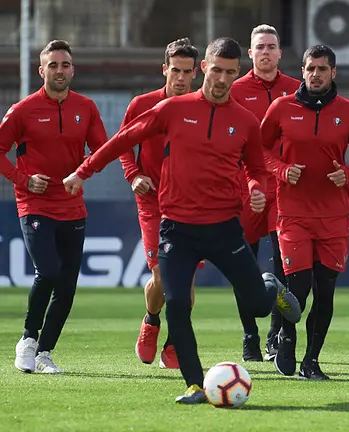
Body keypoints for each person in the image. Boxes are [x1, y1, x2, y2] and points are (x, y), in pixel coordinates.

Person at [62, 37, 302, 403]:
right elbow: (124, 139)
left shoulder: (246, 121)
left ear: (238, 73)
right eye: (216, 70)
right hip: (176, 227)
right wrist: (83, 172)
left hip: (224, 228)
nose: (222, 78)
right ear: (204, 68)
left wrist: (257, 187)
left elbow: (257, 167)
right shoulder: (173, 109)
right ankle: (194, 384)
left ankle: (269, 287)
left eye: (230, 72)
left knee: (255, 305)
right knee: (177, 305)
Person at [0, 40, 108, 374]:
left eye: (65, 64)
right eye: (52, 65)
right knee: (48, 271)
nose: (59, 70)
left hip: (72, 207)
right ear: (42, 71)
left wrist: (82, 173)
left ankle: (44, 353)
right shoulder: (23, 110)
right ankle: (27, 339)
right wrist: (24, 180)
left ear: (72, 70)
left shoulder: (87, 107)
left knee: (67, 285)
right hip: (35, 203)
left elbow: (102, 151)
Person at [262, 44, 349, 379]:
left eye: (321, 69)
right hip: (293, 213)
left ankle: (311, 362)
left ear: (333, 73)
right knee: (297, 289)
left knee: (325, 291)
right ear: (302, 70)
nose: (314, 74)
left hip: (334, 216)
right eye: (310, 68)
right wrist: (281, 169)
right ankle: (286, 336)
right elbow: (260, 149)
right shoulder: (282, 108)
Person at [119, 38, 201, 370]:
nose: (180, 78)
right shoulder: (142, 105)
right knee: (163, 275)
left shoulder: (204, 107)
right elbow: (123, 145)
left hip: (193, 205)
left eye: (186, 72)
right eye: (175, 70)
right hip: (153, 203)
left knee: (186, 280)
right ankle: (152, 319)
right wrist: (133, 174)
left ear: (196, 73)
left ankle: (174, 342)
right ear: (164, 69)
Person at [229, 24, 301, 363]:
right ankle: (249, 335)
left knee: (284, 266)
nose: (266, 52)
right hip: (243, 189)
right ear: (251, 52)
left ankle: (275, 334)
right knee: (243, 265)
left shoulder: (295, 89)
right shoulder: (235, 89)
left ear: (280, 53)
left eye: (272, 46)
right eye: (260, 46)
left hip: (284, 190)